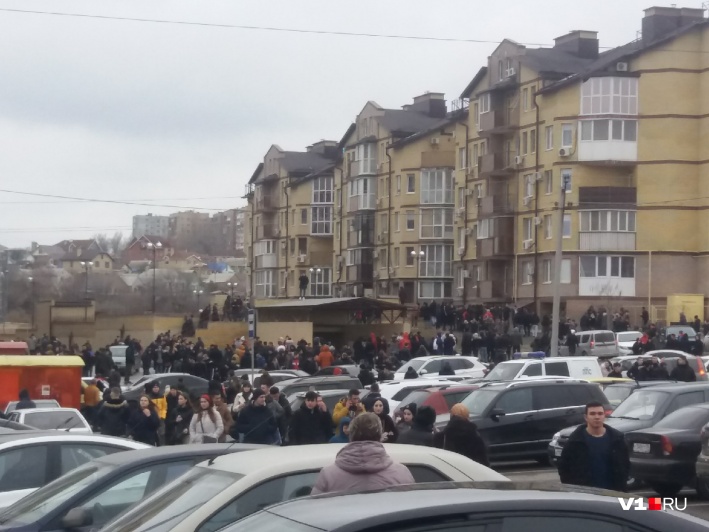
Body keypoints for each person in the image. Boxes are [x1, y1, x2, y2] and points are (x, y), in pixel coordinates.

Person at [311, 413, 415, 494]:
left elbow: (315, 512)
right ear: (379, 436)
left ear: (351, 435)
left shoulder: (328, 475)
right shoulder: (402, 473)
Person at [558, 401, 629, 491]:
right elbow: (564, 467)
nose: (597, 417)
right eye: (592, 414)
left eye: (600, 414)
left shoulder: (617, 439)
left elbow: (625, 465)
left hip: (613, 493)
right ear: (586, 417)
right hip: (585, 495)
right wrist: (572, 489)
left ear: (604, 416)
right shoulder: (575, 441)